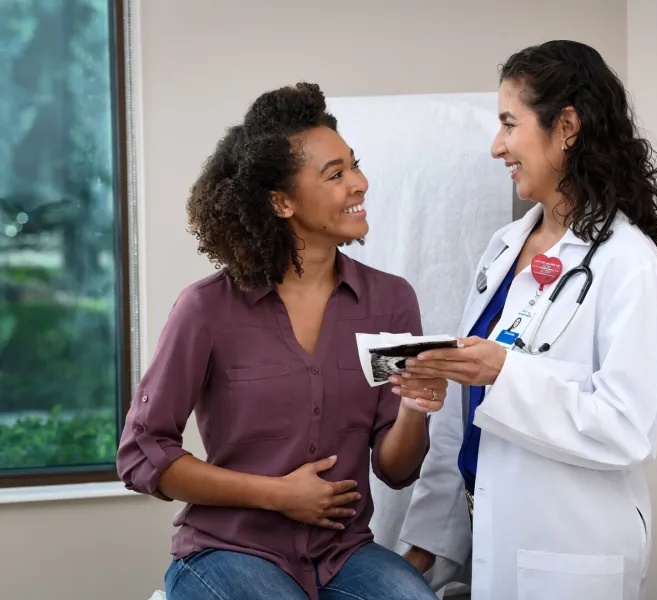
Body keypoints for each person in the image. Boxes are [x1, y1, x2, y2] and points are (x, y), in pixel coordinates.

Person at [116, 82, 445, 600]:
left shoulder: (391, 301)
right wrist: (277, 495)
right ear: (281, 201)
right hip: (229, 550)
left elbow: (394, 469)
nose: (359, 183)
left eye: (354, 165)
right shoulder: (206, 309)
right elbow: (141, 454)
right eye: (335, 175)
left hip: (342, 555)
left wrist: (415, 408)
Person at [398, 40, 657, 600]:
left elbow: (629, 428)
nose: (497, 145)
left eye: (509, 123)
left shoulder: (629, 264)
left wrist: (505, 373)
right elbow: (462, 414)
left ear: (567, 126)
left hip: (569, 551)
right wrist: (427, 543)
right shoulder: (504, 248)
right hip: (489, 535)